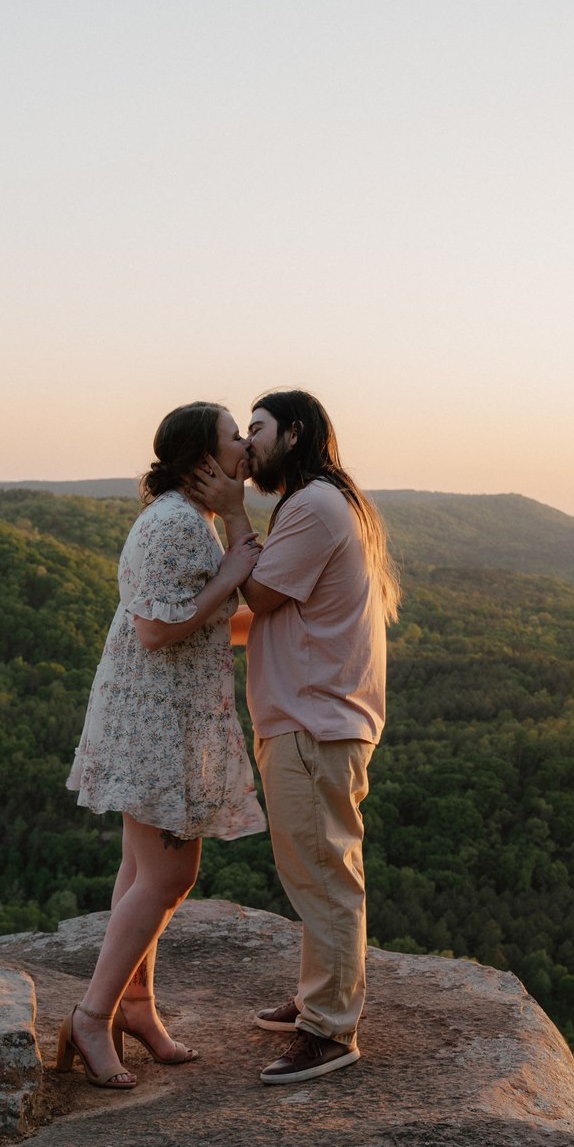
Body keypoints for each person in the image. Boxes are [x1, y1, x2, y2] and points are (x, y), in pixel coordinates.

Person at [189, 388, 398, 1085]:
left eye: (259, 429)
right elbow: (280, 616)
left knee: (322, 874)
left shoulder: (310, 506)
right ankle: (320, 998)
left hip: (313, 720)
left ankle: (331, 1030)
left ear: (296, 432)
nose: (248, 445)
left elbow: (263, 597)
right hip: (317, 717)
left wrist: (231, 514)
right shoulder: (323, 503)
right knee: (316, 867)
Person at [58, 402, 267, 1089]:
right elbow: (155, 628)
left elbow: (196, 622)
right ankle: (91, 1016)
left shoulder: (188, 520)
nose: (244, 444)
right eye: (233, 435)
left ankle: (136, 1008)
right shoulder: (178, 523)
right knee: (170, 878)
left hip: (157, 716)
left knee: (139, 874)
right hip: (158, 724)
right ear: (202, 461)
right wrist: (231, 577)